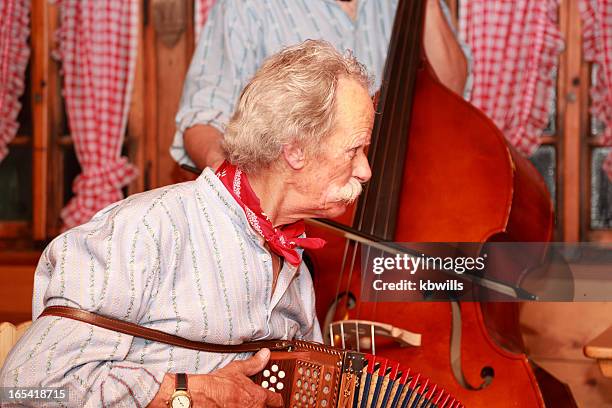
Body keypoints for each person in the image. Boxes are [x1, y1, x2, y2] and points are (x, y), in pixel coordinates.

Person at [0, 40, 374, 407]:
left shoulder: (297, 267)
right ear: (295, 150)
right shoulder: (143, 232)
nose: (365, 170)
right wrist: (183, 393)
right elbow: (24, 390)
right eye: (354, 149)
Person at [171, 0, 471, 171]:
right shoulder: (247, 6)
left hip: (404, 198)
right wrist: (241, 192)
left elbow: (451, 88)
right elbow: (202, 120)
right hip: (299, 217)